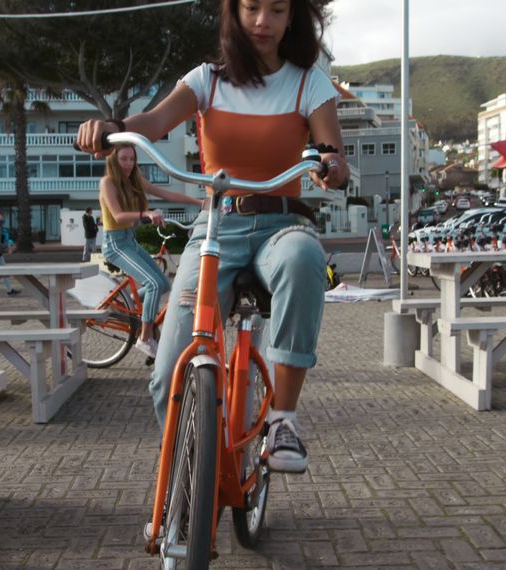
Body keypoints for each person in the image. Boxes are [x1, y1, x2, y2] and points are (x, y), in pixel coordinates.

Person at [77, 0, 346, 474]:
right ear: (234, 14)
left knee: (305, 257)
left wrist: (331, 167)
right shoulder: (208, 79)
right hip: (217, 227)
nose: (263, 21)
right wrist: (115, 129)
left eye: (277, 10)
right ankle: (192, 479)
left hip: (282, 224)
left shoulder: (309, 82)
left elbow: (331, 152)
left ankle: (283, 419)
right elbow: (155, 123)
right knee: (170, 374)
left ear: (292, 19)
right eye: (252, 8)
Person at [98, 144, 203, 357]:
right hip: (115, 244)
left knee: (164, 284)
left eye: (132, 159)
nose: (128, 164)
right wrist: (146, 214)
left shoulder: (134, 180)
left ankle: (121, 304)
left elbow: (166, 194)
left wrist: (200, 202)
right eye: (123, 159)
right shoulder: (108, 182)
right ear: (113, 160)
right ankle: (145, 338)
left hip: (130, 240)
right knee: (153, 284)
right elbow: (118, 216)